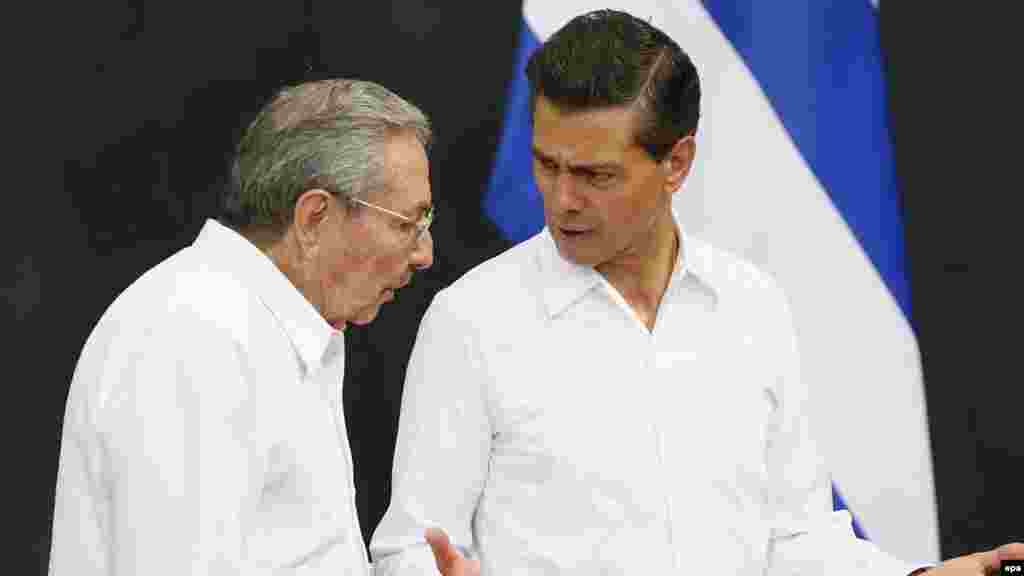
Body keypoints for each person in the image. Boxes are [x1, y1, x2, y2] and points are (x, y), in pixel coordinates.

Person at [369, 10, 1022, 575]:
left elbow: (794, 541)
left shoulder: (753, 306)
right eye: (546, 165)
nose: (562, 200)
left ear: (676, 163)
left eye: (595, 174)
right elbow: (412, 547)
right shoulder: (472, 320)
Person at [49, 78, 466, 575]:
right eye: (407, 223)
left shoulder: (264, 328)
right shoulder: (193, 333)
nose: (425, 253)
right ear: (314, 218)